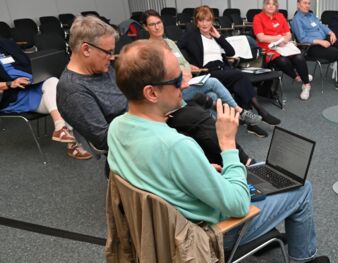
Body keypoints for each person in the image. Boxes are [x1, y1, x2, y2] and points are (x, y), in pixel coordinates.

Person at [108, 40, 330, 263]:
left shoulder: (118, 128)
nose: (184, 84)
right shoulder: (177, 146)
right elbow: (236, 203)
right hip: (208, 233)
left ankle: (265, 232)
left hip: (164, 232)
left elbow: (158, 175)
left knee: (262, 170)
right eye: (177, 78)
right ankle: (302, 261)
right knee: (301, 187)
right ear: (151, 93)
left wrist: (202, 170)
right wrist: (227, 145)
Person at [56, 15, 253, 166]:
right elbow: (104, 140)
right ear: (86, 49)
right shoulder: (73, 90)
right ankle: (237, 168)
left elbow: (133, 91)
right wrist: (154, 116)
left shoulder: (102, 68)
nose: (111, 57)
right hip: (135, 136)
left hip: (145, 116)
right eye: (107, 52)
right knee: (195, 122)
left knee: (197, 113)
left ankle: (236, 167)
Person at [141, 9, 262, 126]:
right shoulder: (148, 49)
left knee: (212, 96)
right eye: (152, 24)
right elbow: (160, 74)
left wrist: (188, 67)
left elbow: (182, 62)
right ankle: (240, 111)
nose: (157, 27)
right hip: (174, 90)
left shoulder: (170, 43)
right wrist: (182, 74)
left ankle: (214, 130)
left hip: (188, 83)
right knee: (214, 82)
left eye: (159, 23)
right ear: (145, 27)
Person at [178, 5, 280, 138]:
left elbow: (231, 52)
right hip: (208, 71)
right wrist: (187, 64)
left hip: (223, 69)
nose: (204, 24)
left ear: (212, 21)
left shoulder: (214, 35)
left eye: (208, 20)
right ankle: (260, 112)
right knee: (240, 76)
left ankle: (251, 123)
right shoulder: (191, 35)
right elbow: (175, 49)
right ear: (196, 22)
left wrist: (219, 36)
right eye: (201, 20)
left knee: (239, 82)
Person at [0, 38, 92, 160]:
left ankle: (61, 129)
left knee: (54, 83)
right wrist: (9, 84)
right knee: (60, 95)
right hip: (13, 96)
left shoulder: (6, 44)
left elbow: (27, 62)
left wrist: (39, 72)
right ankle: (71, 143)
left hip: (32, 83)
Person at [291, 0, 338, 92]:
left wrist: (331, 33)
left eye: (309, 3)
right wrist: (320, 42)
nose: (307, 5)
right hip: (311, 47)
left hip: (325, 40)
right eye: (305, 3)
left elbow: (322, 26)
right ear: (298, 4)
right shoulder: (297, 20)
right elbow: (302, 39)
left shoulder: (311, 15)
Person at [253, 0, 312, 100]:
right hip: (268, 49)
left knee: (299, 57)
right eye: (268, 3)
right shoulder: (258, 18)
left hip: (283, 45)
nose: (271, 6)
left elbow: (288, 34)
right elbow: (261, 38)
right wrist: (278, 38)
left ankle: (307, 85)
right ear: (264, 5)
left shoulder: (280, 16)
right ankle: (297, 77)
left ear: (276, 6)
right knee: (282, 61)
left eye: (274, 4)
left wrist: (284, 40)